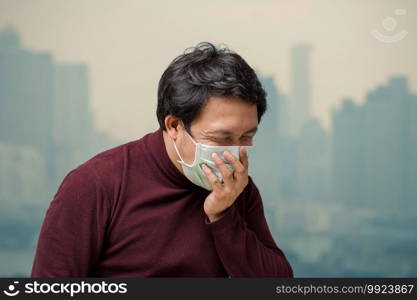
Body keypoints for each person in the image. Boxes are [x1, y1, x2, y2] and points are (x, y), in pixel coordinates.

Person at [31, 42, 293, 277]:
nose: (233, 154)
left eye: (246, 137)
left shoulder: (236, 188)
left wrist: (223, 215)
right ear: (175, 126)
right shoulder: (95, 185)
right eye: (221, 139)